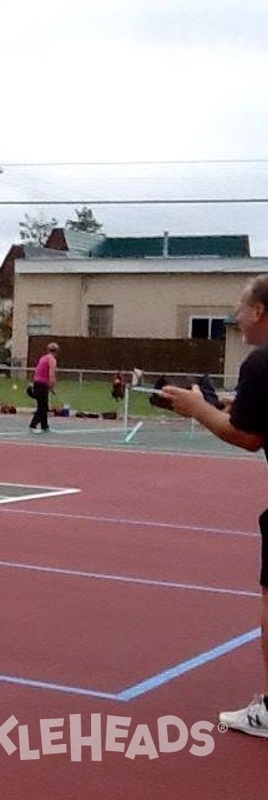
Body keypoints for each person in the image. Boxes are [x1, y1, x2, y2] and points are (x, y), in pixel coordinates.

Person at [161, 275, 268, 739]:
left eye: (241, 308)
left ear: (260, 311)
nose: (237, 316)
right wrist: (224, 402)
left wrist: (195, 409)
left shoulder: (261, 362)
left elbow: (246, 436)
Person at [29, 342, 58, 433]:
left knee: (43, 406)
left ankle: (44, 426)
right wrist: (52, 386)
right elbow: (51, 374)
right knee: (43, 407)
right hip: (42, 384)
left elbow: (38, 370)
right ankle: (33, 425)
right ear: (56, 351)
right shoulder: (52, 360)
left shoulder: (43, 358)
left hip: (37, 382)